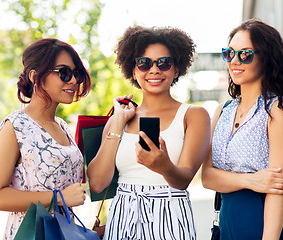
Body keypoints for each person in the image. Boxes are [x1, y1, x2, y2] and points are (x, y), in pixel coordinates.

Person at [87, 25, 210, 240]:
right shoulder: (119, 118)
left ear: (176, 69)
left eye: (164, 63)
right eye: (143, 63)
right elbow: (97, 183)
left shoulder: (194, 115)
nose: (154, 70)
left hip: (170, 216)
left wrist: (164, 166)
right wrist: (117, 123)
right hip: (123, 218)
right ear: (133, 70)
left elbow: (183, 180)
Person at [201, 18, 283, 239]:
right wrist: (251, 180)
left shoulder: (278, 109)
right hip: (230, 223)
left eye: (245, 54)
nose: (234, 61)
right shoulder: (222, 111)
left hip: (267, 224)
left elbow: (276, 189)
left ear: (267, 59)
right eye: (229, 53)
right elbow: (207, 177)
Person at [0, 38, 92, 240]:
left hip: (65, 234)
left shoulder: (62, 126)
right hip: (32, 235)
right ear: (35, 76)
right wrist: (58, 198)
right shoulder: (15, 126)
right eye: (64, 73)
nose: (74, 81)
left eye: (76, 73)